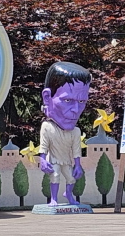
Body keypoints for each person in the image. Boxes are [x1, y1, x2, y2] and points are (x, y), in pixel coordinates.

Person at [38, 61, 91, 206]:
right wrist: (42, 160)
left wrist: (78, 165)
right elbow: (43, 146)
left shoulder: (75, 131)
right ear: (47, 98)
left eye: (82, 101)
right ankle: (53, 199)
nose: (75, 109)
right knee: (55, 176)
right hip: (54, 159)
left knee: (71, 178)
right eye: (67, 100)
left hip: (66, 160)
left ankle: (68, 194)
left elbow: (76, 150)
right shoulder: (47, 127)